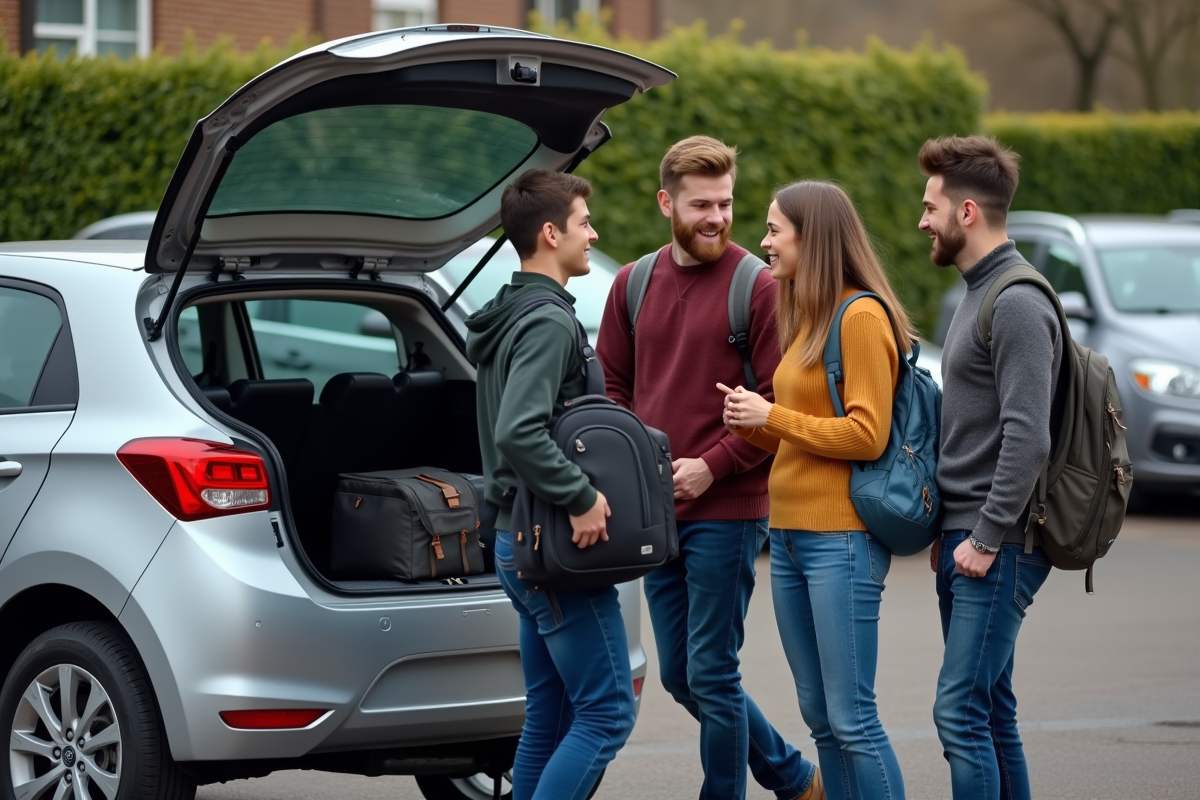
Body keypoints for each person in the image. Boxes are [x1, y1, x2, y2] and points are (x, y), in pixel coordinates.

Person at [597, 136, 821, 800]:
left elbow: (782, 405)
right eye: (701, 205)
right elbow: (611, 387)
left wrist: (713, 466)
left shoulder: (759, 287)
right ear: (666, 203)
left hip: (729, 509)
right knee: (681, 676)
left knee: (714, 673)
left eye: (725, 203)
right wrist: (638, 460)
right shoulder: (632, 283)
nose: (717, 217)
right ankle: (793, 777)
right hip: (656, 511)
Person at [722, 180, 911, 800]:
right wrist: (752, 423)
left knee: (852, 718)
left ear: (814, 238)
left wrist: (772, 416)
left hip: (841, 539)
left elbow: (866, 435)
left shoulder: (860, 317)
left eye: (775, 230)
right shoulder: (807, 315)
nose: (764, 242)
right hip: (790, 535)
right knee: (820, 716)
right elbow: (803, 433)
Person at [465, 169, 634, 800]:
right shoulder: (548, 322)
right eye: (585, 223)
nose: (594, 234)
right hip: (550, 545)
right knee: (607, 713)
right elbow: (518, 431)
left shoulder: (510, 311)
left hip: (518, 538)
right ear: (550, 233)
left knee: (552, 710)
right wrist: (581, 497)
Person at [917, 135, 1062, 800]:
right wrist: (951, 527)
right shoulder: (978, 292)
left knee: (959, 712)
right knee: (991, 710)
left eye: (931, 207)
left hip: (997, 545)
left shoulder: (1017, 301)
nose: (923, 221)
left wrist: (984, 534)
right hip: (968, 535)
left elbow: (1028, 436)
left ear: (967, 212)